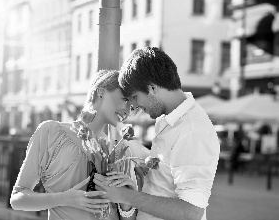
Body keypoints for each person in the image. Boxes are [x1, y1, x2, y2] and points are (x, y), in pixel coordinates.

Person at [94, 47, 220, 220]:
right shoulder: (169, 119)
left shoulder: (192, 131)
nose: (135, 106)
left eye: (135, 97)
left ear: (152, 88)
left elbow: (191, 212)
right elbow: (166, 182)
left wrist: (124, 196)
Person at [10, 70, 140, 220]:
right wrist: (65, 198)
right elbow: (18, 199)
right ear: (101, 91)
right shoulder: (51, 132)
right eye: (125, 99)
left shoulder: (121, 151)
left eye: (132, 106)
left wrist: (128, 199)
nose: (128, 110)